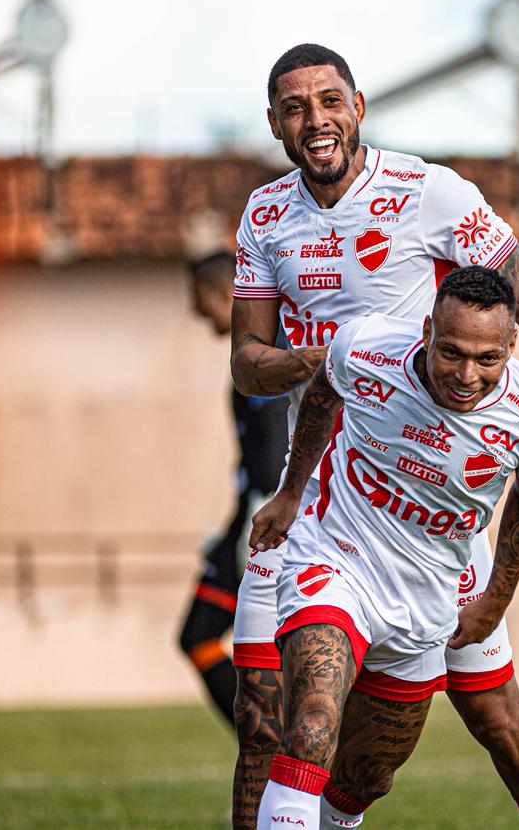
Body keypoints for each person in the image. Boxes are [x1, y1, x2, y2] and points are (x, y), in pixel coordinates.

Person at [227, 44, 519, 829]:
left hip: (429, 510)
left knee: (480, 723)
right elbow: (248, 366)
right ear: (275, 125)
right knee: (265, 718)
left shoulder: (429, 192)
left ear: (358, 106)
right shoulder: (265, 215)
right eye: (295, 108)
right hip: (319, 500)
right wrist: (331, 361)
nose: (315, 121)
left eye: (330, 101)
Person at [247, 268, 519, 829]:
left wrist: (495, 601)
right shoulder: (366, 347)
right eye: (451, 353)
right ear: (426, 331)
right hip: (335, 560)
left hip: (428, 595)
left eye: (487, 359)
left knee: (366, 777)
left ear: (511, 347)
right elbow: (322, 394)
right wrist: (292, 491)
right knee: (313, 722)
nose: (466, 376)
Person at [180, 251, 288, 729]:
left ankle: (280, 754)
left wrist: (260, 517)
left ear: (225, 293)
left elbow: (276, 452)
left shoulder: (270, 356)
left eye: (198, 297)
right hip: (250, 515)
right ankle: (273, 751)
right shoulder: (249, 359)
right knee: (200, 638)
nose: (194, 310)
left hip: (269, 521)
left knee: (247, 645)